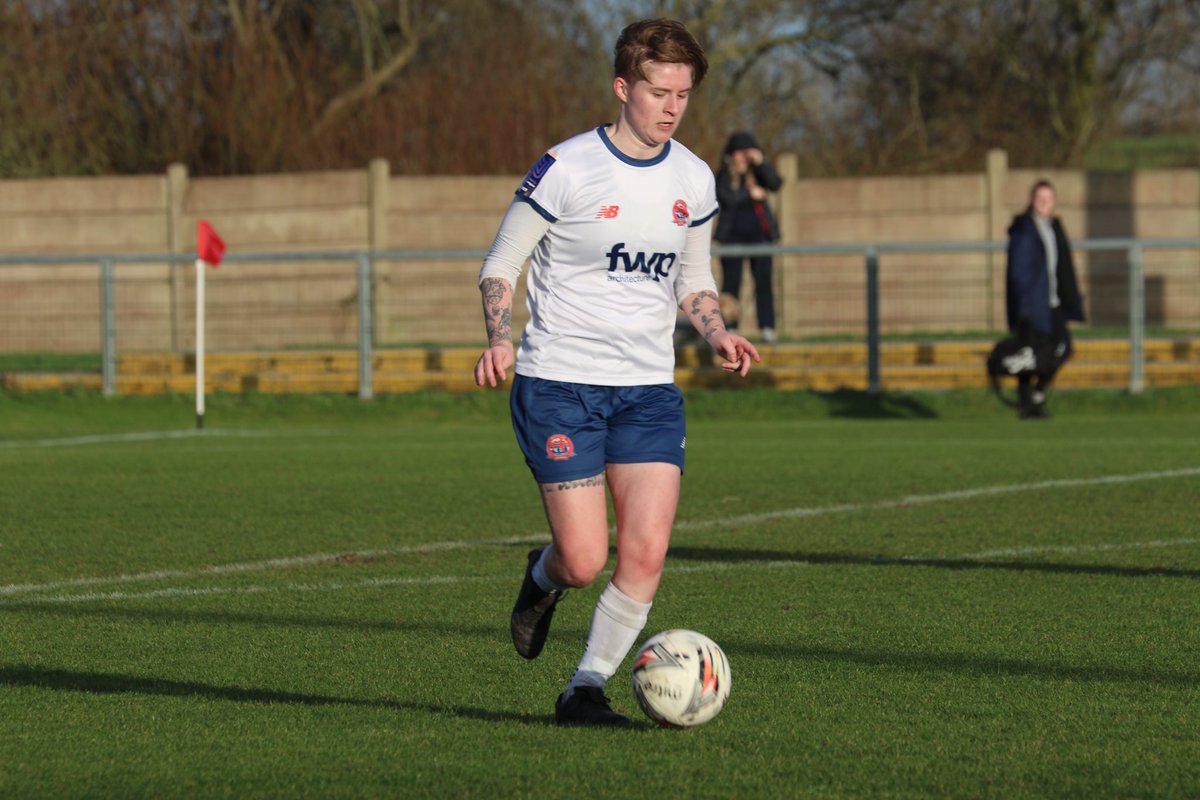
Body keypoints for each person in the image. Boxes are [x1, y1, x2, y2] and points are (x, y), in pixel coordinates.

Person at [473, 18, 760, 726]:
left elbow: (693, 278)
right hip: (560, 384)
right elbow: (502, 262)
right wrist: (499, 338)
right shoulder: (566, 167)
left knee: (647, 551)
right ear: (622, 86)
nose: (670, 107)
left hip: (647, 393)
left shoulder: (693, 178)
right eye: (658, 91)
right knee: (582, 560)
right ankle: (542, 581)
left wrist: (718, 331)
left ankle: (585, 688)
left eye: (684, 95)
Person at [1005, 179, 1085, 419]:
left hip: (1052, 302)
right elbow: (1019, 272)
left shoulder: (1054, 228)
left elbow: (1063, 268)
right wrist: (1024, 306)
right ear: (1032, 200)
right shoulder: (1024, 230)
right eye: (1040, 198)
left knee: (1064, 348)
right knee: (1030, 354)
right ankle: (1027, 404)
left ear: (1054, 202)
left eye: (1048, 199)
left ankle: (1037, 394)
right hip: (1031, 304)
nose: (1043, 203)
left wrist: (1072, 297)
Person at [714, 131, 783, 343]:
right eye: (741, 152)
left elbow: (776, 183)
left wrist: (761, 163)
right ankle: (730, 328)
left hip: (760, 238)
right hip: (731, 239)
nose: (744, 157)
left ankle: (767, 328)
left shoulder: (757, 173)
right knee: (731, 285)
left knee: (763, 283)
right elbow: (727, 198)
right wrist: (750, 194)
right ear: (731, 154)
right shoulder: (723, 176)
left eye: (748, 152)